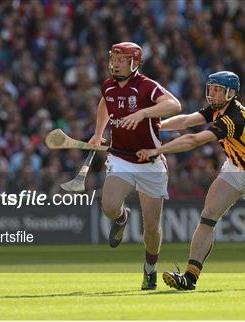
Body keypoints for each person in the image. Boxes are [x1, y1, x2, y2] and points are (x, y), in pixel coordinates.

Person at [137, 71, 245, 290]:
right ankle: (190, 278)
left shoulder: (234, 120)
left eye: (217, 90)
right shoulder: (217, 109)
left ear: (231, 93)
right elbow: (186, 121)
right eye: (210, 89)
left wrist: (157, 150)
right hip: (234, 168)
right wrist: (155, 126)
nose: (212, 94)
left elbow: (193, 140)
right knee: (208, 216)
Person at [88, 42, 181, 290]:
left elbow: (174, 105)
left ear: (134, 62)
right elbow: (105, 103)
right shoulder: (108, 86)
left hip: (149, 162)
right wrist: (98, 133)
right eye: (113, 58)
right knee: (108, 207)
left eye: (121, 59)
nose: (115, 63)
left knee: (151, 227)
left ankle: (150, 269)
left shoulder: (146, 86)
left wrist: (143, 113)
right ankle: (121, 218)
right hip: (121, 158)